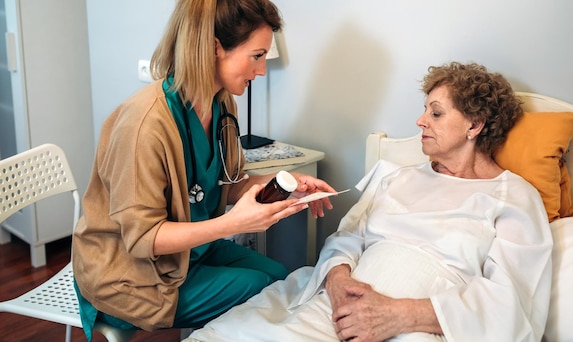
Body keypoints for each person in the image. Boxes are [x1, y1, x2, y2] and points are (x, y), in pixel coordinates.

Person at [184, 62, 553, 342]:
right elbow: (346, 239)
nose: (420, 120)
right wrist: (338, 280)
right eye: (425, 109)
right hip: (337, 307)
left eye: (436, 113)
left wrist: (398, 315)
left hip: (420, 327)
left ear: (475, 125)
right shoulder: (398, 177)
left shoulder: (514, 198)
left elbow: (511, 303)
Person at [71, 0, 335, 341]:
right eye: (256, 56)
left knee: (280, 279)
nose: (261, 70)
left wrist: (283, 186)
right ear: (214, 48)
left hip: (191, 253)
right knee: (261, 290)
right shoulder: (144, 125)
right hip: (130, 275)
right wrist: (235, 224)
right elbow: (143, 239)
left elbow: (222, 185)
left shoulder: (222, 103)